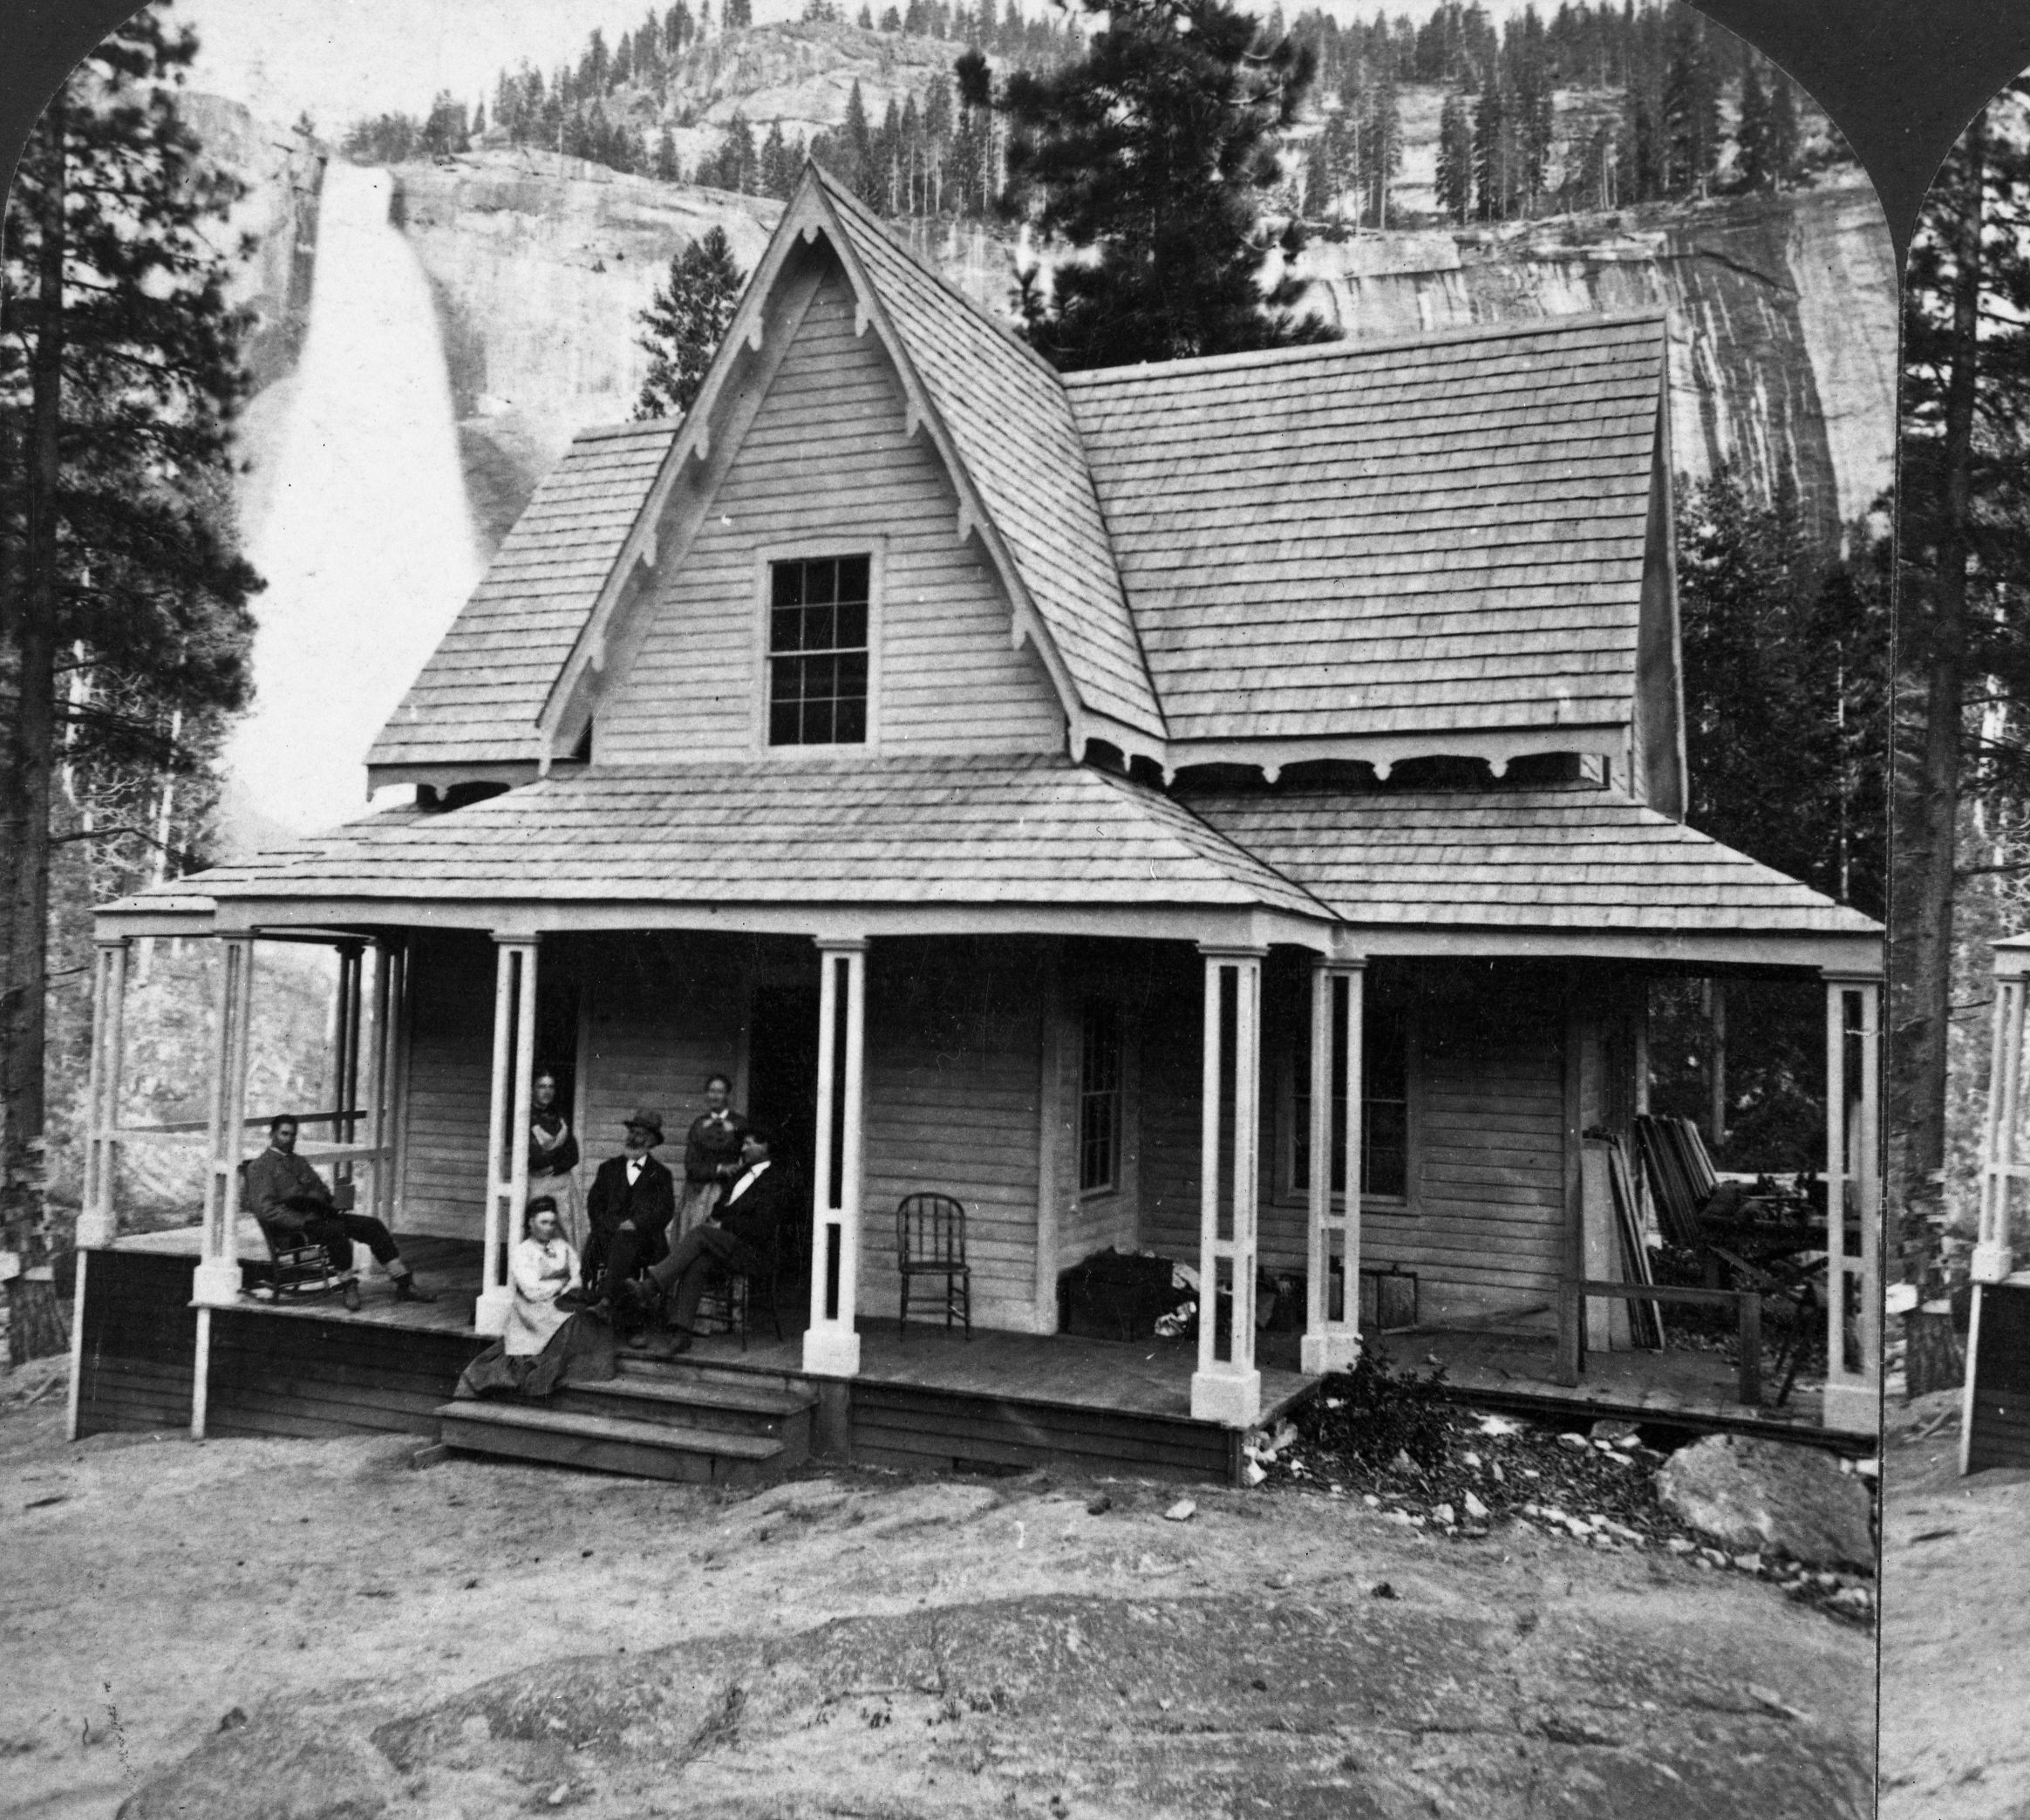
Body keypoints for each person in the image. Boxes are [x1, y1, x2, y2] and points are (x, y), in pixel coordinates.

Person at [244, 1114, 438, 1312]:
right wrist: (301, 1221)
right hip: (292, 1229)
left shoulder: (299, 1162)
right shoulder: (260, 1167)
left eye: (293, 1135)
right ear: (272, 1134)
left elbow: (322, 1190)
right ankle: (348, 1284)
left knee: (372, 1225)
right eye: (284, 1134)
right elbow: (266, 1209)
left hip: (320, 1216)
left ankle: (403, 1282)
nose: (289, 1139)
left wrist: (319, 1198)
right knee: (336, 1231)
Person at [630, 1125, 797, 1352]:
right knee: (698, 1261)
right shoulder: (739, 1174)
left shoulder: (777, 1180)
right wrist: (722, 1222)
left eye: (749, 1144)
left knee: (699, 1233)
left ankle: (651, 1285)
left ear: (765, 1146)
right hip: (727, 1245)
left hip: (755, 1252)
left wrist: (724, 1223)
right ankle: (682, 1334)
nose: (744, 1148)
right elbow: (718, 1208)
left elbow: (763, 1225)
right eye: (744, 1143)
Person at [453, 1197, 616, 1399]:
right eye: (543, 1223)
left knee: (591, 1320)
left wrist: (565, 1287)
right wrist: (559, 1284)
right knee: (567, 1325)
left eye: (552, 1223)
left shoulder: (561, 1247)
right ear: (531, 1223)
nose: (548, 1228)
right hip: (531, 1310)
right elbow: (531, 1290)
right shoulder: (523, 1252)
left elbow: (575, 1279)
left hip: (562, 1302)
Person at [582, 1108, 678, 1333]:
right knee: (623, 1252)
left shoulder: (661, 1174)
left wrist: (636, 1224)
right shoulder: (608, 1169)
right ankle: (631, 1325)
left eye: (642, 1135)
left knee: (629, 1243)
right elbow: (594, 1206)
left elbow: (665, 1211)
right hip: (607, 1238)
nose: (634, 1138)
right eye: (632, 1132)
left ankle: (606, 1302)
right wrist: (612, 1226)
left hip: (646, 1243)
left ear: (652, 1142)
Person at [676, 1073, 747, 1238]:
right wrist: (719, 1168)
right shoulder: (699, 1124)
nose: (714, 1096)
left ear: (727, 1095)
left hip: (725, 1192)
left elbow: (746, 1159)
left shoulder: (740, 1124)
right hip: (697, 1191)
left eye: (720, 1092)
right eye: (711, 1091)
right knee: (692, 1236)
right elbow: (690, 1164)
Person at [527, 1068, 584, 1251]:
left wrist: (551, 1164)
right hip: (537, 1183)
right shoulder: (526, 1118)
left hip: (560, 1182)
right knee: (539, 1226)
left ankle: (566, 1272)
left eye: (551, 1086)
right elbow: (535, 1159)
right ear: (532, 1089)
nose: (547, 1091)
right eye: (541, 1086)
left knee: (565, 1228)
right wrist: (556, 1156)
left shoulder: (559, 1117)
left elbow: (573, 1155)